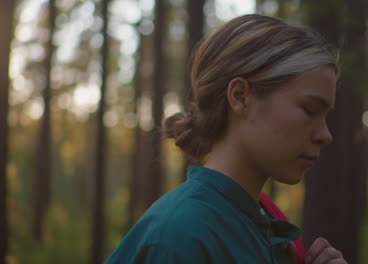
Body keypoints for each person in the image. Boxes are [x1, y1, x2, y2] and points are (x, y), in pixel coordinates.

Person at [105, 14, 347, 264]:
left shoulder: (261, 225)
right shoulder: (180, 237)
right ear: (241, 96)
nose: (325, 136)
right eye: (310, 110)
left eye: (325, 117)